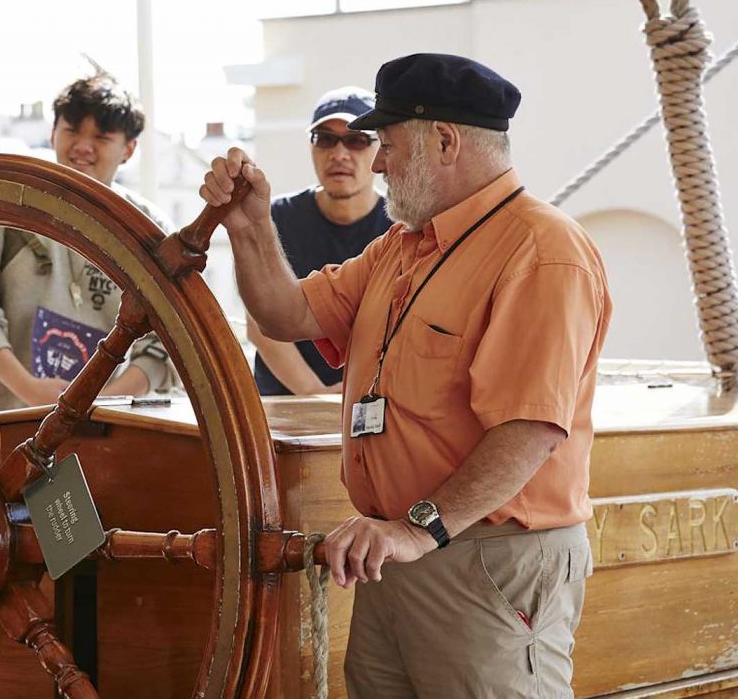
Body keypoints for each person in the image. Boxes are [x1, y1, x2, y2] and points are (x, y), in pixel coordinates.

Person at [201, 53, 612, 697]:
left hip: (484, 560)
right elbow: (290, 312)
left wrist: (418, 528)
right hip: (399, 556)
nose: (378, 163)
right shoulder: (402, 245)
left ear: (444, 141)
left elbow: (530, 429)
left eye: (385, 144)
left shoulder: (543, 251)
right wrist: (250, 227)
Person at [0, 73, 173, 411]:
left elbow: (166, 338)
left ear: (129, 149)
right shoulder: (9, 209)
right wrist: (28, 388)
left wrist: (103, 401)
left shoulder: (148, 228)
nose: (83, 146)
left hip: (110, 425)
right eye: (72, 130)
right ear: (52, 133)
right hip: (6, 418)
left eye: (102, 136)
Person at [251, 87, 392, 396]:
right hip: (282, 405)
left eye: (356, 140)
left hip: (371, 405)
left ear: (381, 148)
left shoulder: (401, 228)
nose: (339, 154)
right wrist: (315, 393)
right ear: (312, 146)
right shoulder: (273, 217)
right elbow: (259, 321)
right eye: (326, 139)